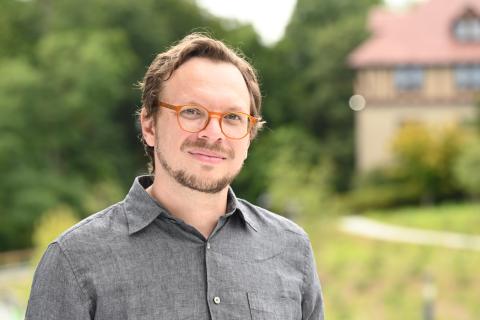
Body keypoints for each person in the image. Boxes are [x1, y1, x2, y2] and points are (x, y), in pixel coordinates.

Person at [25, 33, 324, 320]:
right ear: (149, 125)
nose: (213, 133)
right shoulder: (74, 261)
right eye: (192, 112)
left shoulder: (291, 248)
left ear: (249, 135)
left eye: (233, 117)